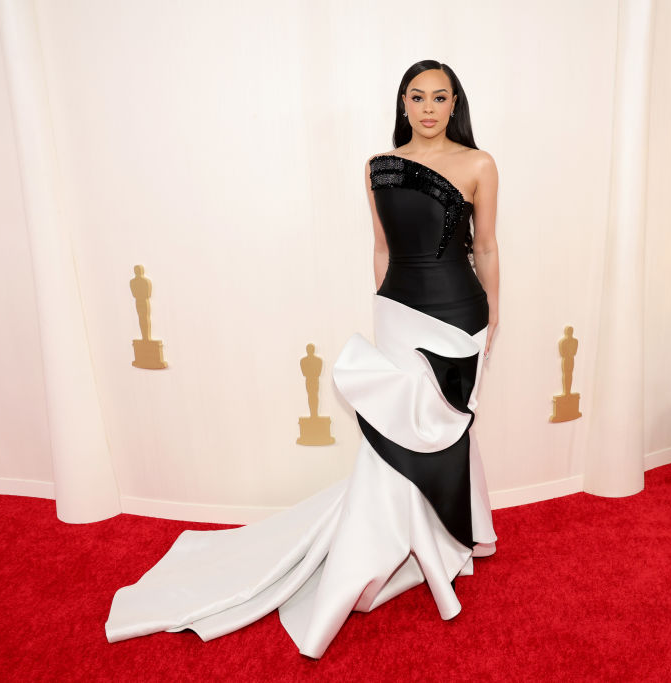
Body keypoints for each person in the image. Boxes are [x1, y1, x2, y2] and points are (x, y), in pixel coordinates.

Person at [105, 60, 500, 659]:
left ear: (454, 104)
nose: (427, 108)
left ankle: (445, 539)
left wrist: (494, 317)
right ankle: (395, 544)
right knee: (392, 439)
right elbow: (381, 247)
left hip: (460, 314)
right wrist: (385, 318)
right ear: (403, 104)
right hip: (398, 314)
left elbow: (489, 246)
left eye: (439, 97)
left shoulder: (479, 165)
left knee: (447, 430)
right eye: (416, 97)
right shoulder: (378, 168)